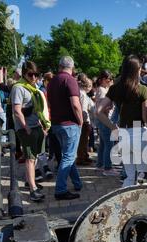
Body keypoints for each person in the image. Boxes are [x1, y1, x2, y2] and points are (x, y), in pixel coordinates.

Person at [97, 55, 147, 187]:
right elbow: (145, 118)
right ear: (136, 70)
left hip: (123, 133)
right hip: (140, 132)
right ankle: (141, 205)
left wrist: (112, 127)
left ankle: (126, 205)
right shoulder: (142, 89)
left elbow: (98, 111)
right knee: (142, 177)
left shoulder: (115, 88)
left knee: (129, 176)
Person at [11, 61, 50, 202]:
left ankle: (31, 181)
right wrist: (25, 127)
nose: (34, 77)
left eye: (36, 75)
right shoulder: (19, 88)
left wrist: (42, 124)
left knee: (34, 158)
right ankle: (33, 189)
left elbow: (38, 110)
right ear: (24, 73)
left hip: (35, 126)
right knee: (29, 158)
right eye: (30, 74)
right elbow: (17, 110)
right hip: (26, 129)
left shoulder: (32, 87)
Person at [47, 56, 84, 201]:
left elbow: (50, 103)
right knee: (68, 156)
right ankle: (60, 190)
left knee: (68, 155)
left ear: (59, 66)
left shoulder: (52, 82)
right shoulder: (70, 80)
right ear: (72, 67)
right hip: (69, 124)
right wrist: (80, 120)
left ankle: (77, 183)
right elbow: (75, 104)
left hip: (56, 123)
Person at [95, 70, 117, 176]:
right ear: (103, 80)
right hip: (105, 120)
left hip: (102, 120)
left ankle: (100, 165)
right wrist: (110, 105)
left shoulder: (101, 89)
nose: (110, 81)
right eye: (109, 79)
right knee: (109, 144)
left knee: (103, 144)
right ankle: (107, 168)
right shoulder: (102, 90)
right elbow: (103, 108)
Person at [76, 74, 94, 165]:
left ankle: (84, 155)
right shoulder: (82, 94)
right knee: (83, 140)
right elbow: (83, 109)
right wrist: (83, 120)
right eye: (90, 86)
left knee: (85, 140)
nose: (91, 88)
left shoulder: (83, 94)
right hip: (84, 121)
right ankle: (81, 158)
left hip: (85, 120)